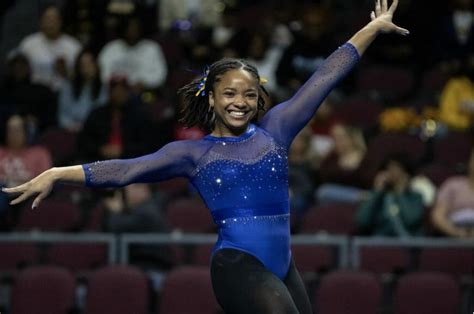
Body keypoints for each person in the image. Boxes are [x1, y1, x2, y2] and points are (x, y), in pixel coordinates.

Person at [3, 2, 409, 313]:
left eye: (249, 94)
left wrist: (371, 29)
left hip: (283, 265)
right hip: (237, 265)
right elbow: (127, 170)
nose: (240, 102)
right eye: (229, 93)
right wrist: (59, 172)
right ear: (211, 98)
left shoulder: (277, 130)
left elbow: (324, 77)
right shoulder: (192, 154)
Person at [355, 154, 424, 237]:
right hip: (380, 243)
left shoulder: (415, 197)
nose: (393, 174)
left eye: (397, 170)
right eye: (389, 169)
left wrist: (400, 193)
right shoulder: (378, 198)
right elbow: (362, 221)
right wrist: (377, 191)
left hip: (407, 243)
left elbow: (411, 220)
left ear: (406, 174)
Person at [17, 5, 82, 91]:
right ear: (40, 21)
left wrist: (65, 72)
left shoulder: (74, 46)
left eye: (54, 18)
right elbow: (18, 73)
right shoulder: (28, 43)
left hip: (64, 93)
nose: (51, 22)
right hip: (34, 93)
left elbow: (83, 78)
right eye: (47, 18)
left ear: (61, 21)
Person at [58, 50, 107, 133]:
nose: (86, 69)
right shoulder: (68, 87)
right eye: (83, 65)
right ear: (78, 68)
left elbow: (103, 114)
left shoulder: (104, 88)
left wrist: (87, 127)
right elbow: (62, 114)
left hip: (94, 131)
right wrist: (70, 126)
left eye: (90, 64)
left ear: (96, 66)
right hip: (70, 130)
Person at [431, 147, 474, 238]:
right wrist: (457, 233)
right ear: (469, 161)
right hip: (454, 236)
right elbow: (437, 217)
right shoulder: (452, 184)